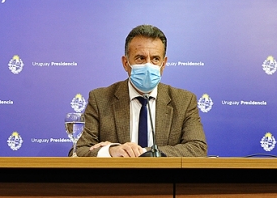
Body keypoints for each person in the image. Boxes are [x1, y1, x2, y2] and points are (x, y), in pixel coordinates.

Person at [74, 24, 207, 157]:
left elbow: (198, 148)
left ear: (164, 64)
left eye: (155, 59)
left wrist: (146, 153)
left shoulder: (184, 101)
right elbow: (78, 150)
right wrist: (110, 151)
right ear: (126, 63)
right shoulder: (100, 99)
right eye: (140, 58)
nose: (148, 65)